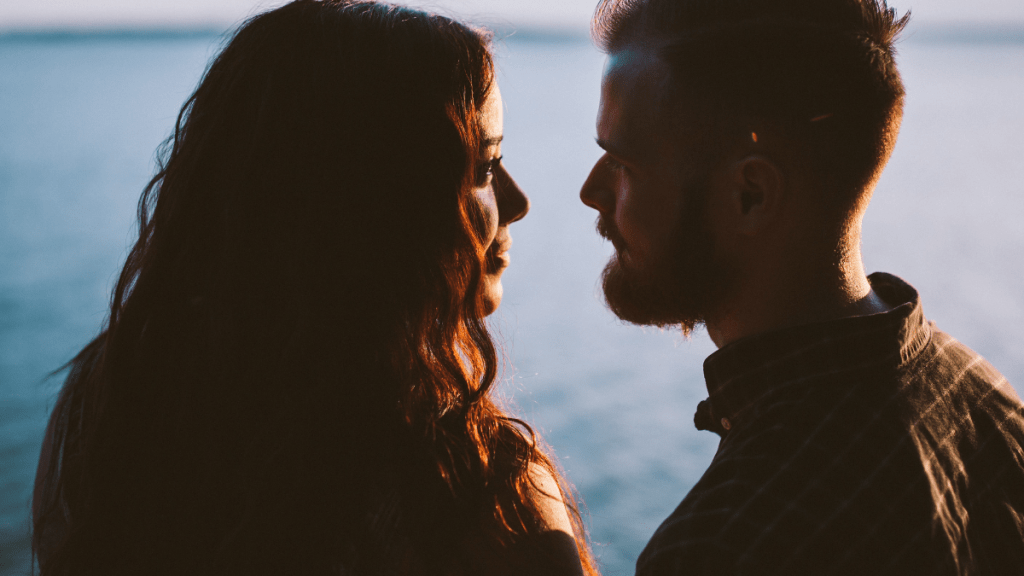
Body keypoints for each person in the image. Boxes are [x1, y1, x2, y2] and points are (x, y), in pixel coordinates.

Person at [32, 2, 598, 575]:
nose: (520, 202)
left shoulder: (109, 410)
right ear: (378, 200)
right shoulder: (483, 494)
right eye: (484, 167)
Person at [580, 0, 1024, 574]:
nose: (591, 192)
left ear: (751, 196)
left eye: (622, 164)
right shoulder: (990, 401)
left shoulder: (725, 546)